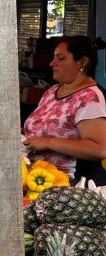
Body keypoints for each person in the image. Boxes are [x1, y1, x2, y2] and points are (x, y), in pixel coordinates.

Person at [23, 36, 106, 184]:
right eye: (53, 57)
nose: (52, 63)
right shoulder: (53, 90)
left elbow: (99, 149)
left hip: (71, 185)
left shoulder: (90, 97)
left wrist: (48, 142)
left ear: (82, 62)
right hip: (39, 179)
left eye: (61, 58)